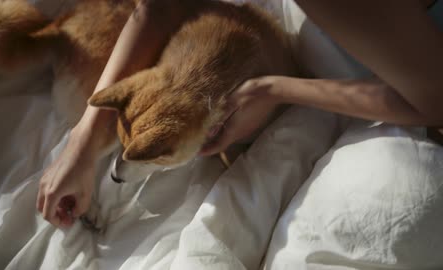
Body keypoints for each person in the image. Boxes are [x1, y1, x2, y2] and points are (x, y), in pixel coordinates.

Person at [37, 0, 443, 228]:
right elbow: (159, 9)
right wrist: (83, 140)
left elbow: (435, 101)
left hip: (399, 88)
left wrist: (272, 88)